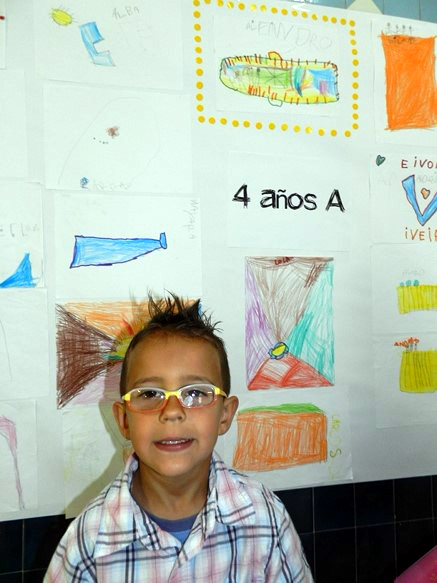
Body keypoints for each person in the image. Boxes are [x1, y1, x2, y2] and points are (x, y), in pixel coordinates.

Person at [45, 294, 314, 582]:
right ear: (124, 420)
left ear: (225, 415)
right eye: (150, 393)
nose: (172, 411)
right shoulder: (87, 542)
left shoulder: (265, 517)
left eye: (195, 392)